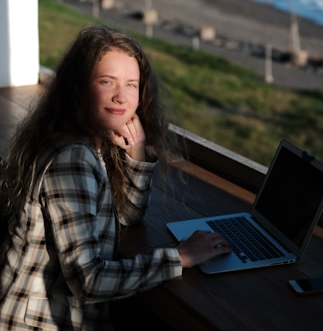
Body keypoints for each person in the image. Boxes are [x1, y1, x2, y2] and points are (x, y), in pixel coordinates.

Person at [0, 25, 230, 330]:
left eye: (131, 85)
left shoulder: (89, 141)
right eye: (107, 82)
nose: (121, 97)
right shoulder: (73, 159)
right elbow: (90, 281)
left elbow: (127, 217)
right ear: (78, 87)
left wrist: (136, 153)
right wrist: (180, 256)